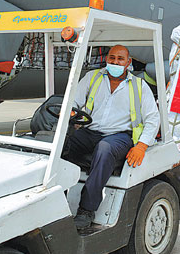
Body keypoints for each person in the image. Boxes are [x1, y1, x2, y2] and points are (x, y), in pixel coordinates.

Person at [65, 45, 160, 229]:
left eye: (120, 59)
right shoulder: (92, 78)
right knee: (63, 143)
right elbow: (74, 101)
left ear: (128, 62)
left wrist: (141, 145)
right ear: (106, 59)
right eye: (112, 58)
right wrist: (69, 112)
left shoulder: (139, 86)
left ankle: (86, 210)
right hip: (91, 131)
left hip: (119, 136)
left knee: (105, 148)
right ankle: (56, 197)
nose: (115, 62)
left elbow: (152, 118)